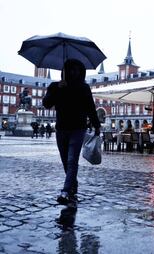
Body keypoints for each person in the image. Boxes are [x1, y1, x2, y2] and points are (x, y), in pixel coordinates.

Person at [43, 59, 101, 205]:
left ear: (81, 72)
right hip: (61, 128)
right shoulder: (55, 86)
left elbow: (90, 108)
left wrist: (96, 126)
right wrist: (57, 90)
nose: (74, 72)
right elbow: (46, 104)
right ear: (65, 71)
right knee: (65, 161)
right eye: (71, 69)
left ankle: (66, 190)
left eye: (77, 70)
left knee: (71, 160)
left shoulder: (84, 87)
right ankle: (73, 184)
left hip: (78, 128)